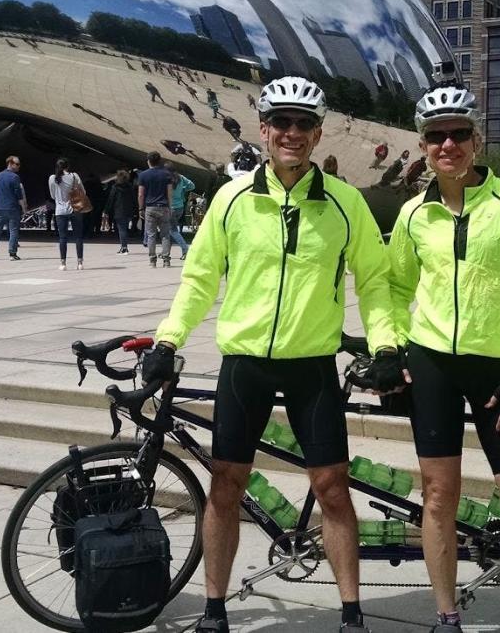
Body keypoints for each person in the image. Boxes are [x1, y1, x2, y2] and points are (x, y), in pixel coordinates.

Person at [144, 76, 400, 633]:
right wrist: (170, 338)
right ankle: (214, 608)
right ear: (263, 130)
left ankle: (352, 613)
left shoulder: (344, 202)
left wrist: (385, 343)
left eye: (303, 124)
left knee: (332, 486)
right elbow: (199, 278)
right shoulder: (233, 199)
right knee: (226, 485)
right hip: (246, 365)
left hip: (312, 365)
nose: (291, 132)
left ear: (317, 133)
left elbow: (375, 281)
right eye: (280, 122)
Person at [388, 86, 500, 633]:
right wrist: (394, 347)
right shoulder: (414, 214)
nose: (448, 144)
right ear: (423, 145)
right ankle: (446, 615)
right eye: (436, 136)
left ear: (477, 139)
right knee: (439, 497)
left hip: (497, 371)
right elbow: (393, 287)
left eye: (459, 133)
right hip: (433, 363)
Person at [137, 151, 174, 268]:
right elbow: (169, 192)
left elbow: (140, 194)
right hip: (163, 207)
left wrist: (140, 208)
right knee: (165, 235)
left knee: (151, 235)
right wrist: (170, 206)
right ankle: (166, 260)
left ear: (148, 161)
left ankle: (152, 260)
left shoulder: (143, 175)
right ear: (159, 161)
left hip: (150, 207)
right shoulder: (167, 174)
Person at [48, 158, 85, 270]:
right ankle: (80, 263)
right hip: (75, 209)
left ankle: (63, 263)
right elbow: (83, 191)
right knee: (78, 236)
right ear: (68, 166)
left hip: (60, 210)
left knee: (63, 238)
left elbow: (52, 195)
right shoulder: (74, 176)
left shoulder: (52, 178)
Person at [0, 155, 27, 261]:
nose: (19, 166)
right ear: (10, 163)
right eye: (17, 164)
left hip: (0, 207)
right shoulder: (15, 177)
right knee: (13, 231)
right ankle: (12, 254)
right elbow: (19, 195)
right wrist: (24, 208)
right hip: (13, 208)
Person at [104, 170, 138, 254]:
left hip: (118, 210)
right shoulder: (130, 187)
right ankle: (124, 246)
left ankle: (124, 247)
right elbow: (134, 199)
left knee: (121, 229)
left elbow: (111, 199)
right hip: (129, 210)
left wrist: (106, 210)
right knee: (124, 229)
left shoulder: (115, 187)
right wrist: (136, 209)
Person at [165, 163, 194, 260]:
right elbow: (192, 186)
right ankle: (166, 252)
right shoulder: (180, 177)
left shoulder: (166, 179)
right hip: (180, 207)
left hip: (170, 208)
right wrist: (183, 189)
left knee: (173, 231)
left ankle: (186, 249)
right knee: (170, 231)